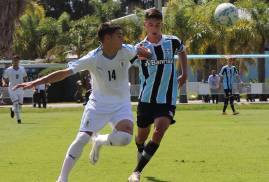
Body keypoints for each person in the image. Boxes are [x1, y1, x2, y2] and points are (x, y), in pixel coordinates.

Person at [13, 22, 152, 182]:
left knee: (125, 138)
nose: (123, 38)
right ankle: (62, 178)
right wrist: (34, 83)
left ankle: (99, 141)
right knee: (82, 139)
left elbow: (142, 51)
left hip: (121, 104)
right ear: (107, 38)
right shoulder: (92, 58)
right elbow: (64, 73)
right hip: (97, 105)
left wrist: (150, 55)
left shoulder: (126, 50)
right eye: (119, 36)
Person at [128, 8, 187, 182]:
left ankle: (136, 172)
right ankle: (140, 148)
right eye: (151, 24)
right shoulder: (139, 48)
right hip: (146, 99)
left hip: (167, 99)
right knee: (141, 136)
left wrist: (184, 73)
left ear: (162, 25)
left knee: (159, 131)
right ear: (146, 25)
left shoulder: (173, 41)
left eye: (158, 24)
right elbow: (124, 63)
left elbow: (183, 51)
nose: (154, 27)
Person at [2, 55, 27, 124]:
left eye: (17, 60)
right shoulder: (8, 70)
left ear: (19, 61)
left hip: (21, 88)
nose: (15, 62)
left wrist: (27, 84)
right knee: (15, 103)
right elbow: (4, 78)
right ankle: (18, 119)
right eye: (14, 60)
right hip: (12, 89)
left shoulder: (22, 69)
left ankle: (12, 109)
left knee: (20, 106)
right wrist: (4, 83)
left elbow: (25, 77)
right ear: (12, 61)